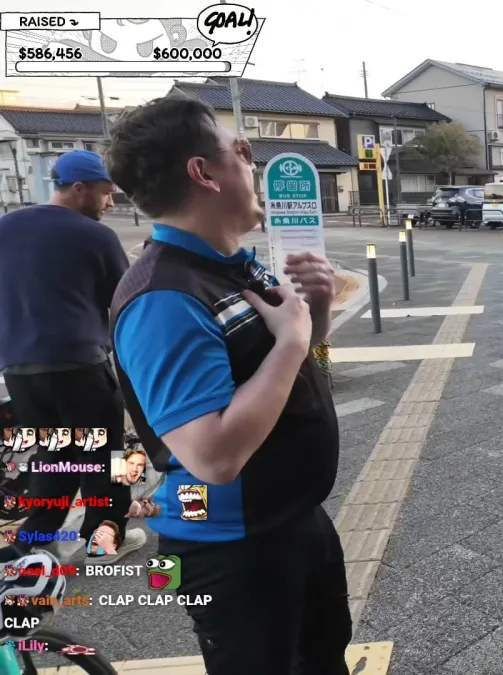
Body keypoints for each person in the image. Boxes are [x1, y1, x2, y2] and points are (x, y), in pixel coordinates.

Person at [105, 96, 350, 674]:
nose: (251, 161)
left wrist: (313, 311)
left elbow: (283, 362)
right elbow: (213, 457)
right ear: (203, 172)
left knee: (322, 659)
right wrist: (292, 339)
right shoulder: (164, 297)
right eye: (240, 149)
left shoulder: (229, 265)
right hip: (232, 549)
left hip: (290, 520)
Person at [0, 150, 142, 565]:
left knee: (54, 456)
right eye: (104, 193)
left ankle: (36, 543)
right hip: (79, 366)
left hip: (21, 370)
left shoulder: (6, 227)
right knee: (104, 456)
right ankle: (103, 542)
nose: (109, 202)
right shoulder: (95, 235)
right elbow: (122, 304)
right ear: (79, 189)